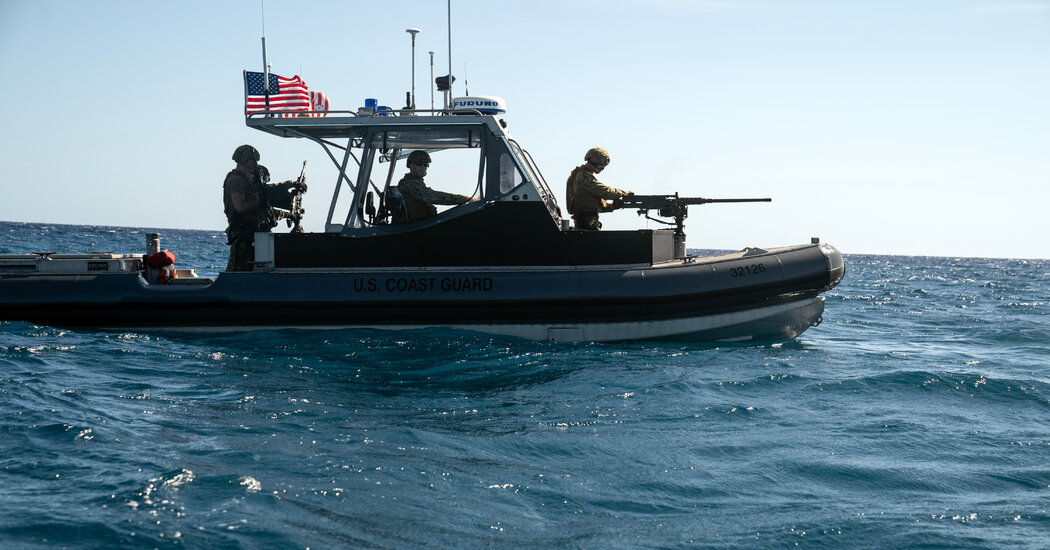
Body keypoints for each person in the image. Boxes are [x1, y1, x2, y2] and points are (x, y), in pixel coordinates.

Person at [223, 144, 306, 271]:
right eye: (253, 160)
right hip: (243, 237)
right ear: (246, 160)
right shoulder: (237, 181)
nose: (254, 164)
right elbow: (240, 207)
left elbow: (266, 192)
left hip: (253, 235)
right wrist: (259, 201)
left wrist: (290, 184)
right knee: (238, 274)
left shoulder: (247, 180)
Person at [393, 150, 477, 222]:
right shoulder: (409, 184)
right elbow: (434, 197)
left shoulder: (418, 183)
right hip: (415, 229)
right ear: (410, 165)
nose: (423, 167)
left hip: (421, 225)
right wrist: (466, 199)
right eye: (419, 164)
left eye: (425, 164)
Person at [565, 147, 632, 230]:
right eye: (601, 168)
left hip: (588, 221)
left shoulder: (583, 175)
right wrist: (625, 194)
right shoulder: (583, 176)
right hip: (585, 222)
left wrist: (612, 206)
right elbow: (604, 192)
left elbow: (593, 204)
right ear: (593, 163)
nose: (602, 170)